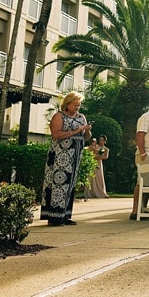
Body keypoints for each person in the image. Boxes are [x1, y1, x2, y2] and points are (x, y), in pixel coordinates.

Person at [40, 91, 92, 226]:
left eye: (79, 105)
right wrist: (75, 131)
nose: (77, 107)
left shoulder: (81, 117)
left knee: (70, 184)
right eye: (75, 105)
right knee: (58, 183)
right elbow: (56, 134)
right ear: (67, 104)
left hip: (75, 157)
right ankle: (54, 216)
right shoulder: (59, 116)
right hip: (60, 156)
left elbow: (86, 137)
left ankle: (65, 215)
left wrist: (87, 131)